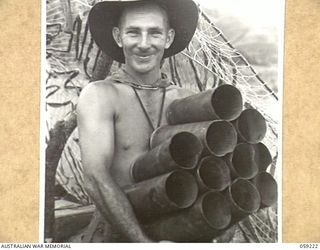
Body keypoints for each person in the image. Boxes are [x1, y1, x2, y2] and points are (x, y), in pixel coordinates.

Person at [75, 0, 199, 242]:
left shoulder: (186, 101)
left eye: (154, 33)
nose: (144, 44)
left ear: (169, 38)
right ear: (118, 37)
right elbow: (95, 177)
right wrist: (143, 243)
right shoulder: (100, 95)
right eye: (133, 32)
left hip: (176, 234)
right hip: (115, 235)